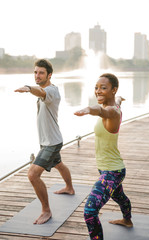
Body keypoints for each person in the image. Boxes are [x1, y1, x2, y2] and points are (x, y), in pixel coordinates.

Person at [15, 59, 75, 225]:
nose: (37, 75)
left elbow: (40, 93)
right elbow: (40, 92)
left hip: (51, 143)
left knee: (33, 175)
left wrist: (28, 88)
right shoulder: (44, 90)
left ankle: (46, 210)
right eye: (35, 72)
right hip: (51, 140)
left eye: (41, 72)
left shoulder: (51, 91)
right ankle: (69, 188)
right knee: (59, 164)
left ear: (49, 75)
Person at [74, 73, 133, 240]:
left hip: (112, 172)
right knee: (120, 197)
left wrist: (88, 109)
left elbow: (100, 110)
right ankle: (127, 221)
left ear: (113, 90)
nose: (98, 91)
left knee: (90, 211)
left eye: (103, 88)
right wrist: (120, 97)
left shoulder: (112, 112)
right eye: (96, 88)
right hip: (110, 169)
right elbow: (117, 101)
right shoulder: (116, 104)